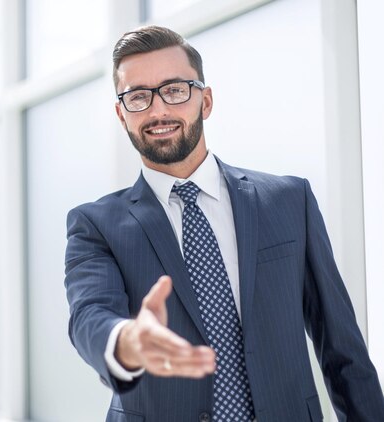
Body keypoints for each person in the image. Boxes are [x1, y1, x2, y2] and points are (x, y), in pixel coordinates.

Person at [64, 25, 384, 422]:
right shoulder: (94, 225)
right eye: (138, 97)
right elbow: (89, 316)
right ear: (121, 114)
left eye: (175, 89)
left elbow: (343, 349)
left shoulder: (288, 200)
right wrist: (126, 340)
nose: (158, 110)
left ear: (206, 100)